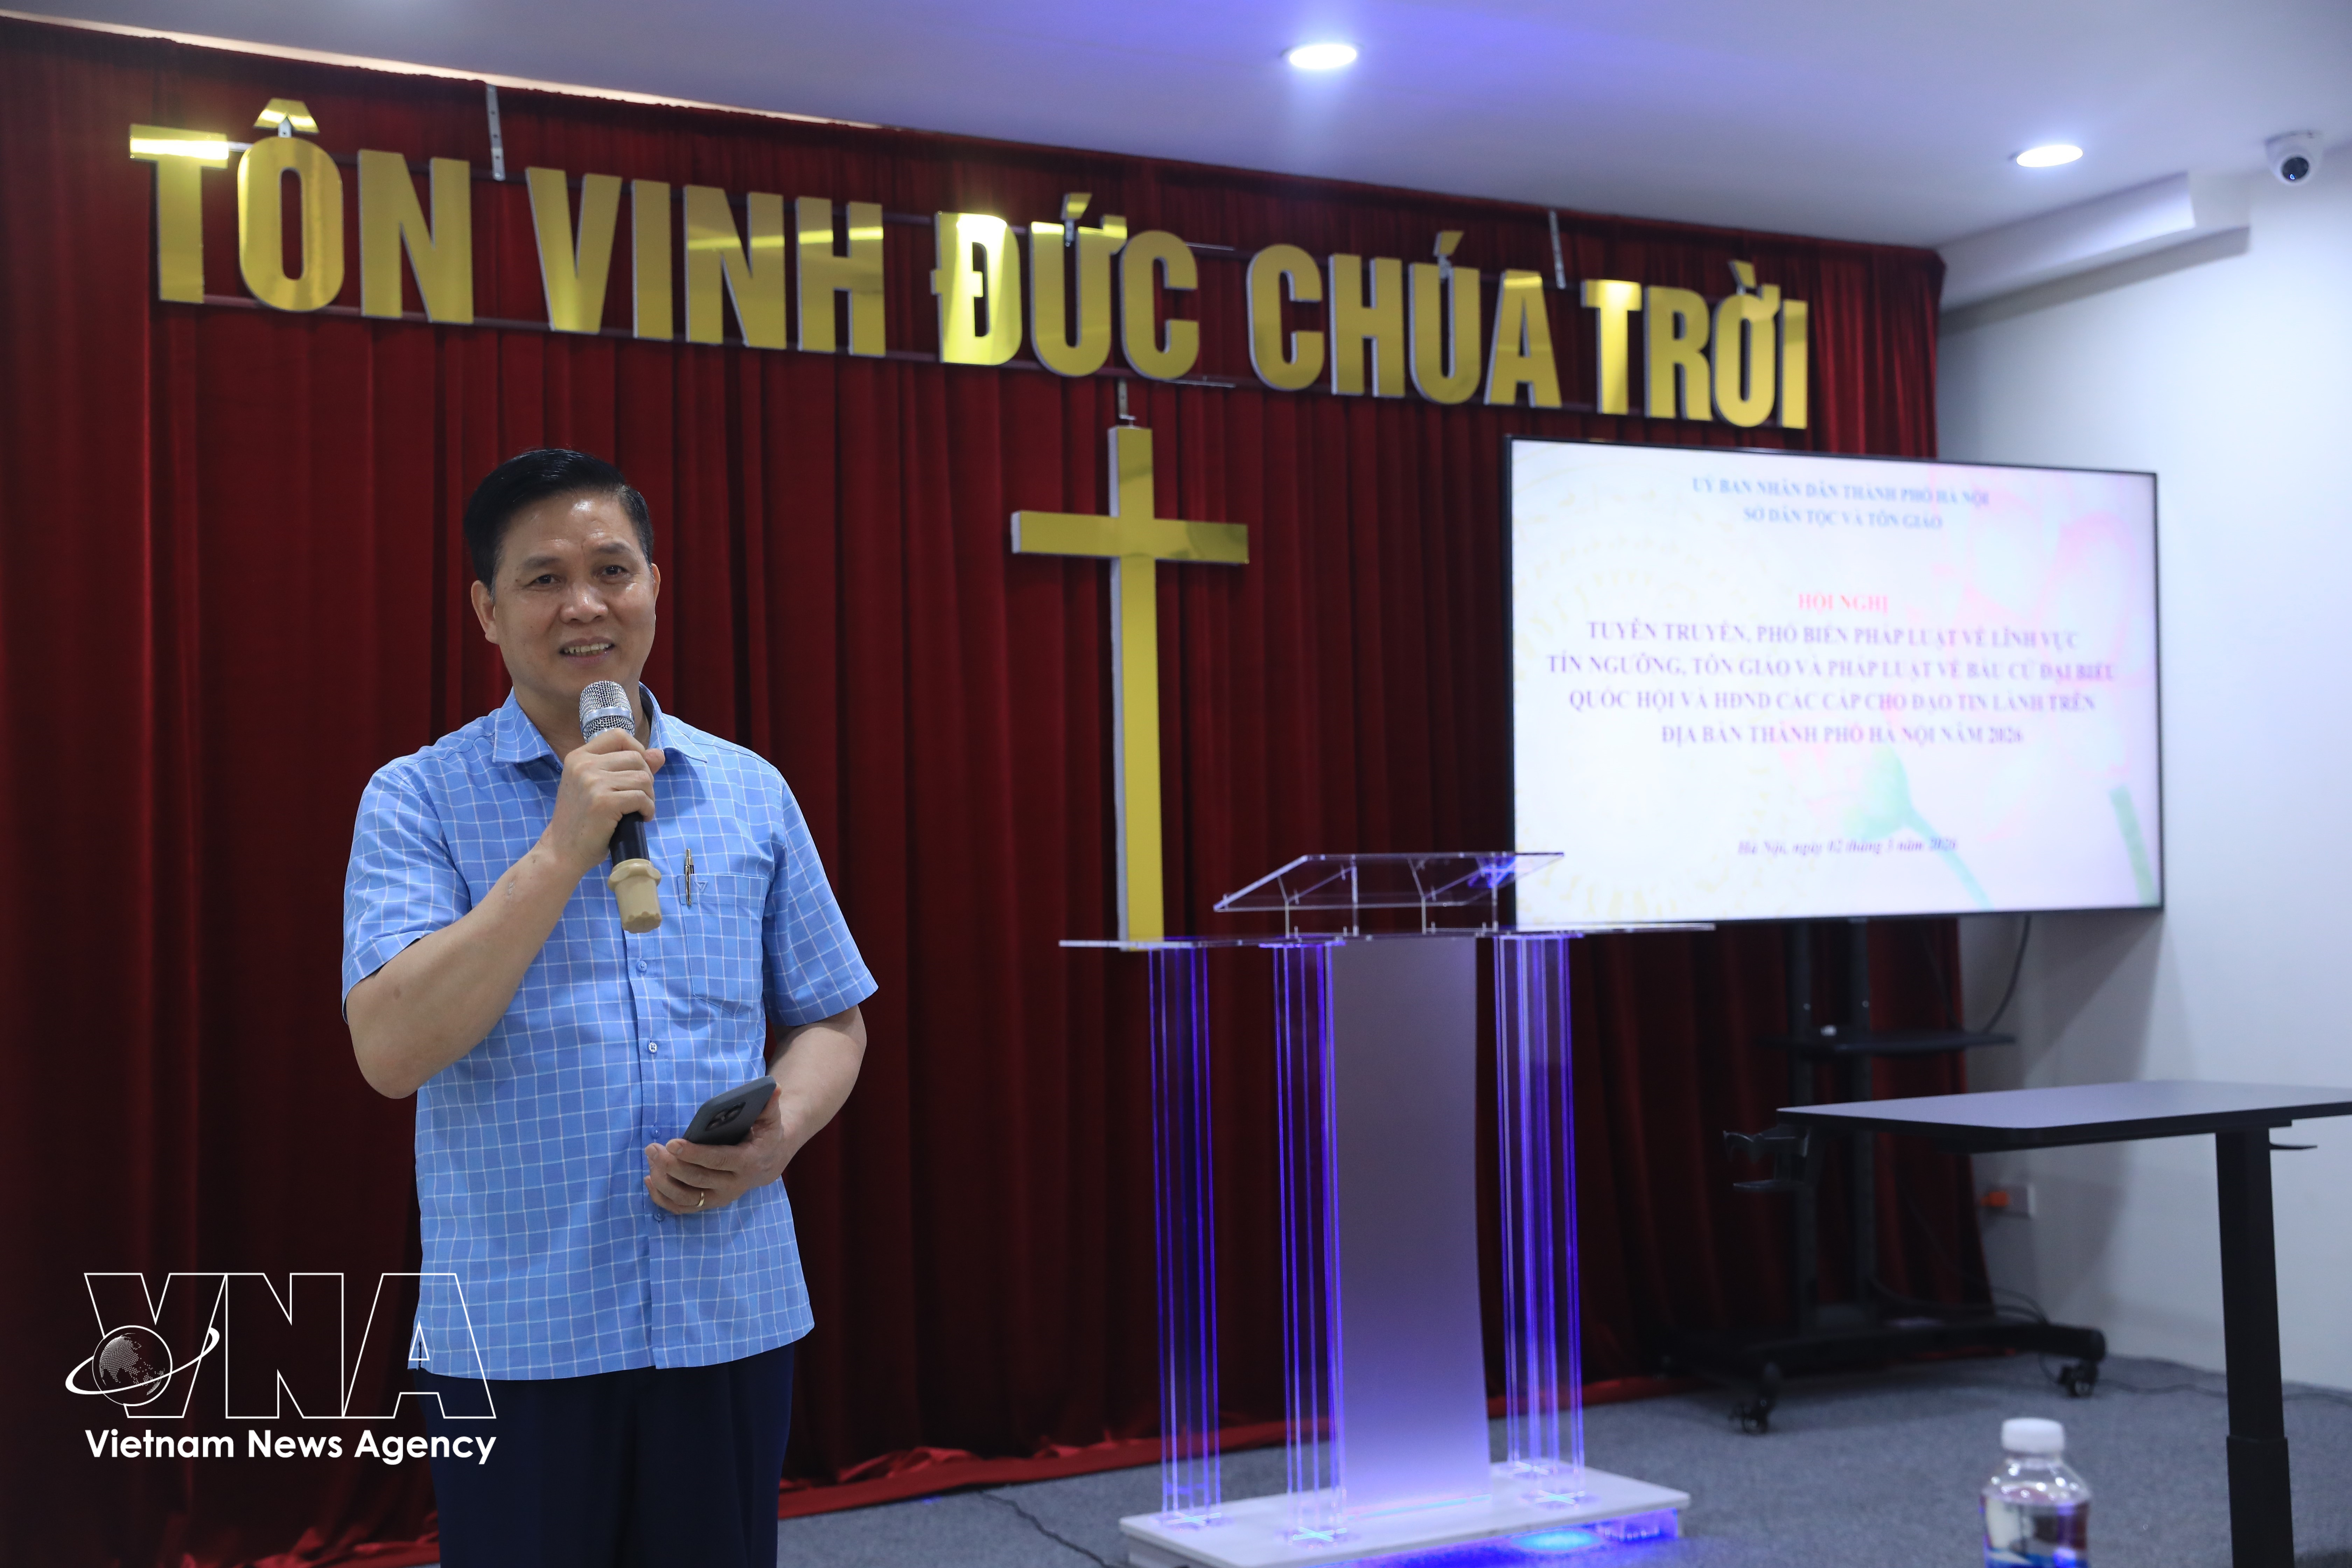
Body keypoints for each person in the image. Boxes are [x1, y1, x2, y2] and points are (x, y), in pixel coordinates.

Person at [341, 448, 873, 1568]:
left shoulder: (748, 787)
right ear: (487, 611)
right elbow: (389, 1050)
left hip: (726, 1312)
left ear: (655, 587)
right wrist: (563, 845)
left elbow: (832, 1018)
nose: (585, 604)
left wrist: (782, 1128)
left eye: (611, 570)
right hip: (525, 1332)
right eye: (542, 580)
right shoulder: (415, 798)